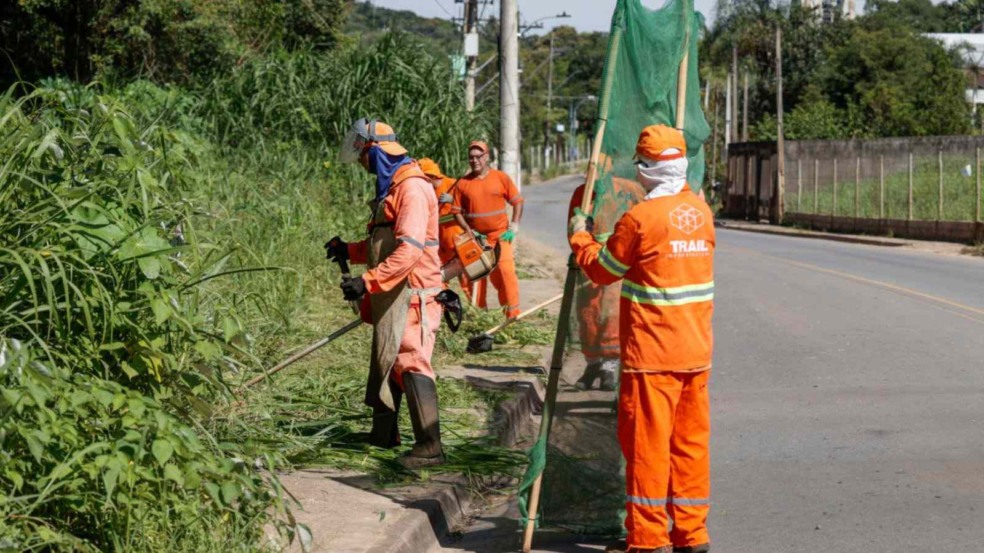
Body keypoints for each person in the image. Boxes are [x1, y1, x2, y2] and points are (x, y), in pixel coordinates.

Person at [568, 125, 715, 553]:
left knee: (647, 450)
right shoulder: (702, 213)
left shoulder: (640, 219)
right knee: (689, 447)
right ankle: (691, 534)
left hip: (652, 356)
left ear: (646, 169)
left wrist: (581, 235)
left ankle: (648, 540)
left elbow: (603, 270)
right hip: (696, 353)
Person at [326, 118, 445, 468]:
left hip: (416, 293)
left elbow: (408, 251)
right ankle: (384, 436)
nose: (362, 164)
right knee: (389, 358)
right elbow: (385, 241)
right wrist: (350, 250)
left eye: (363, 156)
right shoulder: (393, 188)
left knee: (409, 360)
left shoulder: (412, 189)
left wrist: (368, 282)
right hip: (396, 292)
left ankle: (430, 446)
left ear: (377, 152)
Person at [567, 169, 645, 392]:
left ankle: (610, 366)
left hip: (615, 261)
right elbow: (572, 226)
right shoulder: (582, 194)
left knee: (611, 316)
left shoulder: (626, 190)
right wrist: (580, 239)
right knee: (588, 315)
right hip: (588, 262)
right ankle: (592, 364)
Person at [451, 140, 524, 318]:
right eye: (471, 157)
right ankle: (479, 316)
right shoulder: (463, 184)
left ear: (487, 157)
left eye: (478, 157)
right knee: (475, 279)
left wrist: (514, 226)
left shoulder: (500, 178)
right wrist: (467, 229)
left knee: (506, 274)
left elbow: (517, 202)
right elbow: (456, 211)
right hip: (476, 240)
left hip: (500, 237)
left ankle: (512, 316)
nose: (474, 160)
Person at [418, 158, 465, 266]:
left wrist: (452, 199)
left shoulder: (453, 184)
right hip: (437, 242)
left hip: (458, 239)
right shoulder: (425, 191)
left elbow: (472, 207)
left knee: (465, 274)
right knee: (437, 274)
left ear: (432, 176)